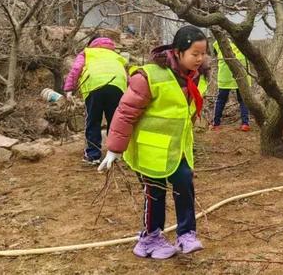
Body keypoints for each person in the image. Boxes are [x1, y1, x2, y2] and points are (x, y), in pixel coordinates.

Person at [98, 25, 209, 259]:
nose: (200, 59)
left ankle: (186, 233)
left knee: (184, 183)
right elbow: (126, 111)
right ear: (178, 52)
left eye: (203, 54)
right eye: (195, 54)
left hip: (176, 148)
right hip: (150, 149)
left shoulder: (196, 77)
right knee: (154, 193)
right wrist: (115, 148)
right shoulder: (149, 76)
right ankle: (149, 238)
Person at [63, 35, 128, 165]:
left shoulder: (88, 52)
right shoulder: (114, 55)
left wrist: (69, 88)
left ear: (91, 44)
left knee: (93, 120)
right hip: (117, 86)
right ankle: (115, 153)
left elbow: (76, 69)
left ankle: (93, 155)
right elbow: (127, 74)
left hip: (94, 86)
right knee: (115, 121)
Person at [211, 38, 251, 131]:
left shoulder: (218, 43)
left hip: (225, 76)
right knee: (243, 100)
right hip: (241, 75)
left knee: (221, 100)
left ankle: (216, 124)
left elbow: (216, 56)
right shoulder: (241, 42)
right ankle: (245, 123)